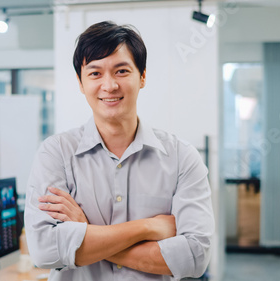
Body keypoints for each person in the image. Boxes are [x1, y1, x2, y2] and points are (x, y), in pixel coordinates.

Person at [24, 21, 214, 281]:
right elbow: (45, 251)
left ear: (142, 76)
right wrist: (148, 227)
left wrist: (85, 232)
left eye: (121, 71)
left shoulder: (182, 157)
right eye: (95, 73)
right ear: (80, 82)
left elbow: (195, 256)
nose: (109, 85)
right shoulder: (55, 154)